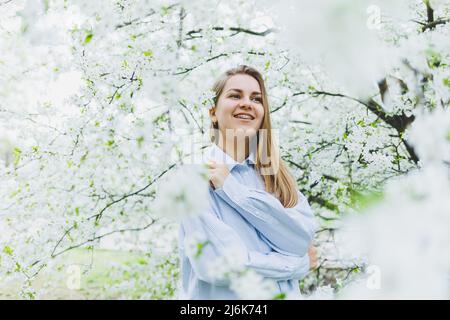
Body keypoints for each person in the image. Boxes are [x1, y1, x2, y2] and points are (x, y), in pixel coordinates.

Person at [178, 65, 319, 299]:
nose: (247, 103)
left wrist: (232, 190)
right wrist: (296, 265)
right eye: (235, 96)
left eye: (256, 98)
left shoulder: (278, 177)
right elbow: (216, 264)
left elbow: (300, 241)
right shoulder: (194, 176)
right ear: (213, 112)